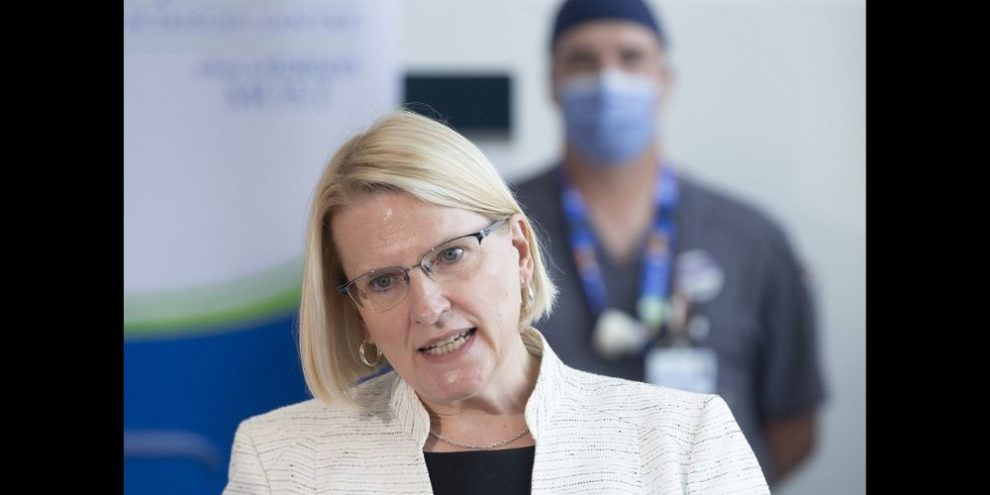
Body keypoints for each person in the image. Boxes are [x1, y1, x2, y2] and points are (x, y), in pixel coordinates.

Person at [223, 110, 769, 494]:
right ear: (357, 313)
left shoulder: (682, 441)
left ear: (520, 251)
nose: (429, 306)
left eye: (452, 255)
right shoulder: (282, 463)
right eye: (384, 282)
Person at [511, 0, 827, 484]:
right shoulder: (495, 232)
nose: (608, 80)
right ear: (552, 82)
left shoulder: (752, 240)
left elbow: (792, 425)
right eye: (582, 60)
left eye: (631, 57)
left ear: (665, 79)